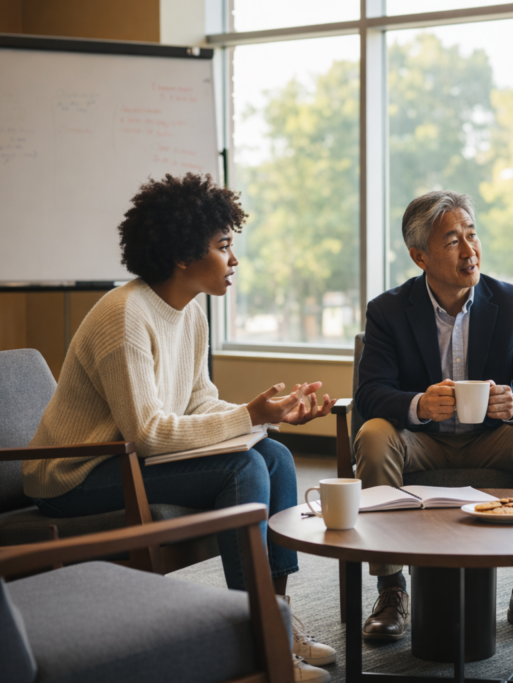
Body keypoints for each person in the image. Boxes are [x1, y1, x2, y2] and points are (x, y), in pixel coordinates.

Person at [23, 173, 337, 682]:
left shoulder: (191, 314)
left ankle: (275, 623)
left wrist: (267, 415)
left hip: (128, 461)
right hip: (74, 477)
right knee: (241, 469)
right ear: (183, 255)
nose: (234, 260)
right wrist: (248, 417)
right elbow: (146, 432)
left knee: (275, 456)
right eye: (223, 246)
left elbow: (197, 402)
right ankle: (257, 639)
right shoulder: (124, 316)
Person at [354, 190, 513, 642]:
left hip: (493, 438)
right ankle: (391, 588)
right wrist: (419, 404)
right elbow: (370, 395)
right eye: (453, 241)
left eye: (472, 235)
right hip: (421, 442)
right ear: (420, 257)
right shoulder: (388, 310)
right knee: (374, 434)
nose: (469, 250)